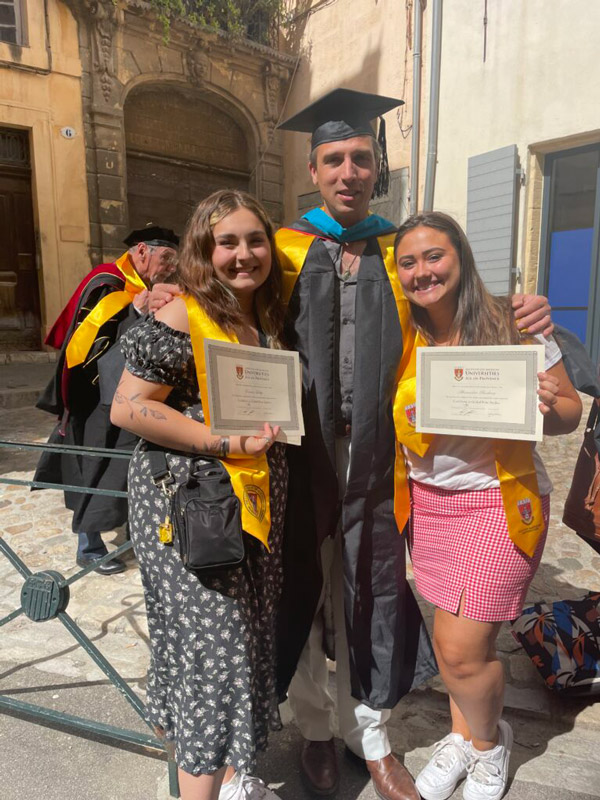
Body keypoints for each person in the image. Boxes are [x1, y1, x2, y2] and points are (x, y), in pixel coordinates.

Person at [147, 89, 554, 800]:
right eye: (333, 159)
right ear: (313, 167)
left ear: (376, 169)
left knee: (373, 594)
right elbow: (220, 295)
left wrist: (521, 309)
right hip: (290, 458)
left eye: (360, 159)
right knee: (296, 593)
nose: (347, 172)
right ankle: (311, 729)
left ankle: (372, 734)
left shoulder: (402, 252)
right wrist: (156, 296)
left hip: (383, 461)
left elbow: (455, 311)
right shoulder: (283, 246)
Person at [392, 212, 582, 800]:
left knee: (461, 649)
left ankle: (489, 743)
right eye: (409, 262)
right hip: (428, 502)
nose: (422, 271)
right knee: (451, 635)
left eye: (435, 256)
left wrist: (552, 406)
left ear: (462, 257)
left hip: (500, 502)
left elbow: (572, 413)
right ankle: (462, 735)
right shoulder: (402, 332)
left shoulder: (514, 322)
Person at [111, 190, 287, 800]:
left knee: (228, 645)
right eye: (227, 242)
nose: (244, 254)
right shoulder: (185, 312)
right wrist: (222, 443)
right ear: (203, 250)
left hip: (243, 502)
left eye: (255, 240)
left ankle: (235, 776)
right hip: (193, 507)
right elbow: (127, 407)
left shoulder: (260, 312)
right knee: (214, 656)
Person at [35, 226, 178, 574]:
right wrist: (135, 313)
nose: (171, 267)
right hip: (93, 398)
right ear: (142, 251)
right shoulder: (106, 283)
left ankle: (135, 532)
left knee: (125, 466)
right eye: (166, 258)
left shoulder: (139, 287)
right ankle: (89, 546)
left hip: (125, 395)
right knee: (95, 466)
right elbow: (89, 349)